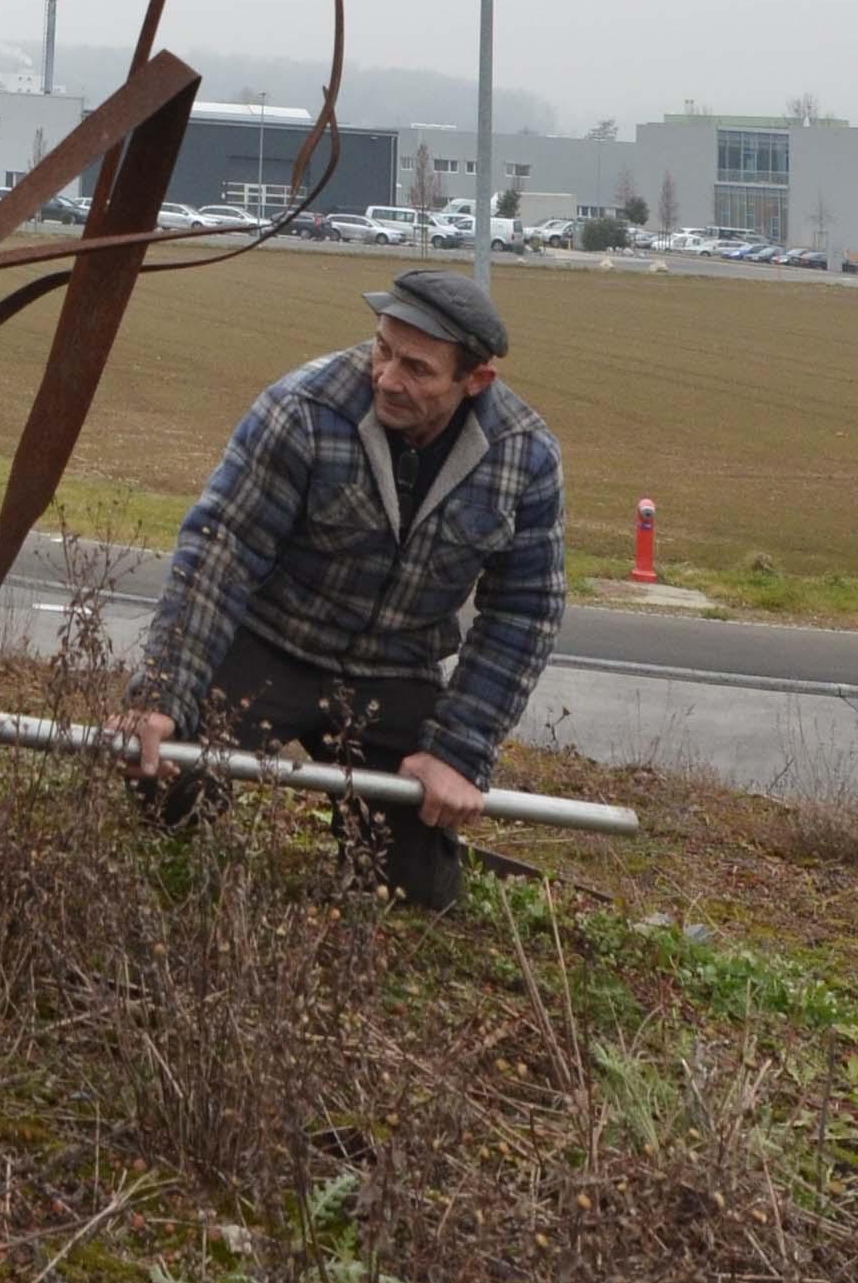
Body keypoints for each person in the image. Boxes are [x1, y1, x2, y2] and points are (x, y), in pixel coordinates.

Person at [119, 269, 565, 910]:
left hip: (395, 670)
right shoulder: (303, 408)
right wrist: (163, 694)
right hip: (271, 643)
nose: (386, 378)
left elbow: (525, 610)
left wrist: (459, 750)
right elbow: (223, 548)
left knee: (413, 890)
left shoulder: (526, 457)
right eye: (383, 349)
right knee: (163, 787)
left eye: (417, 368)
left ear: (476, 382)